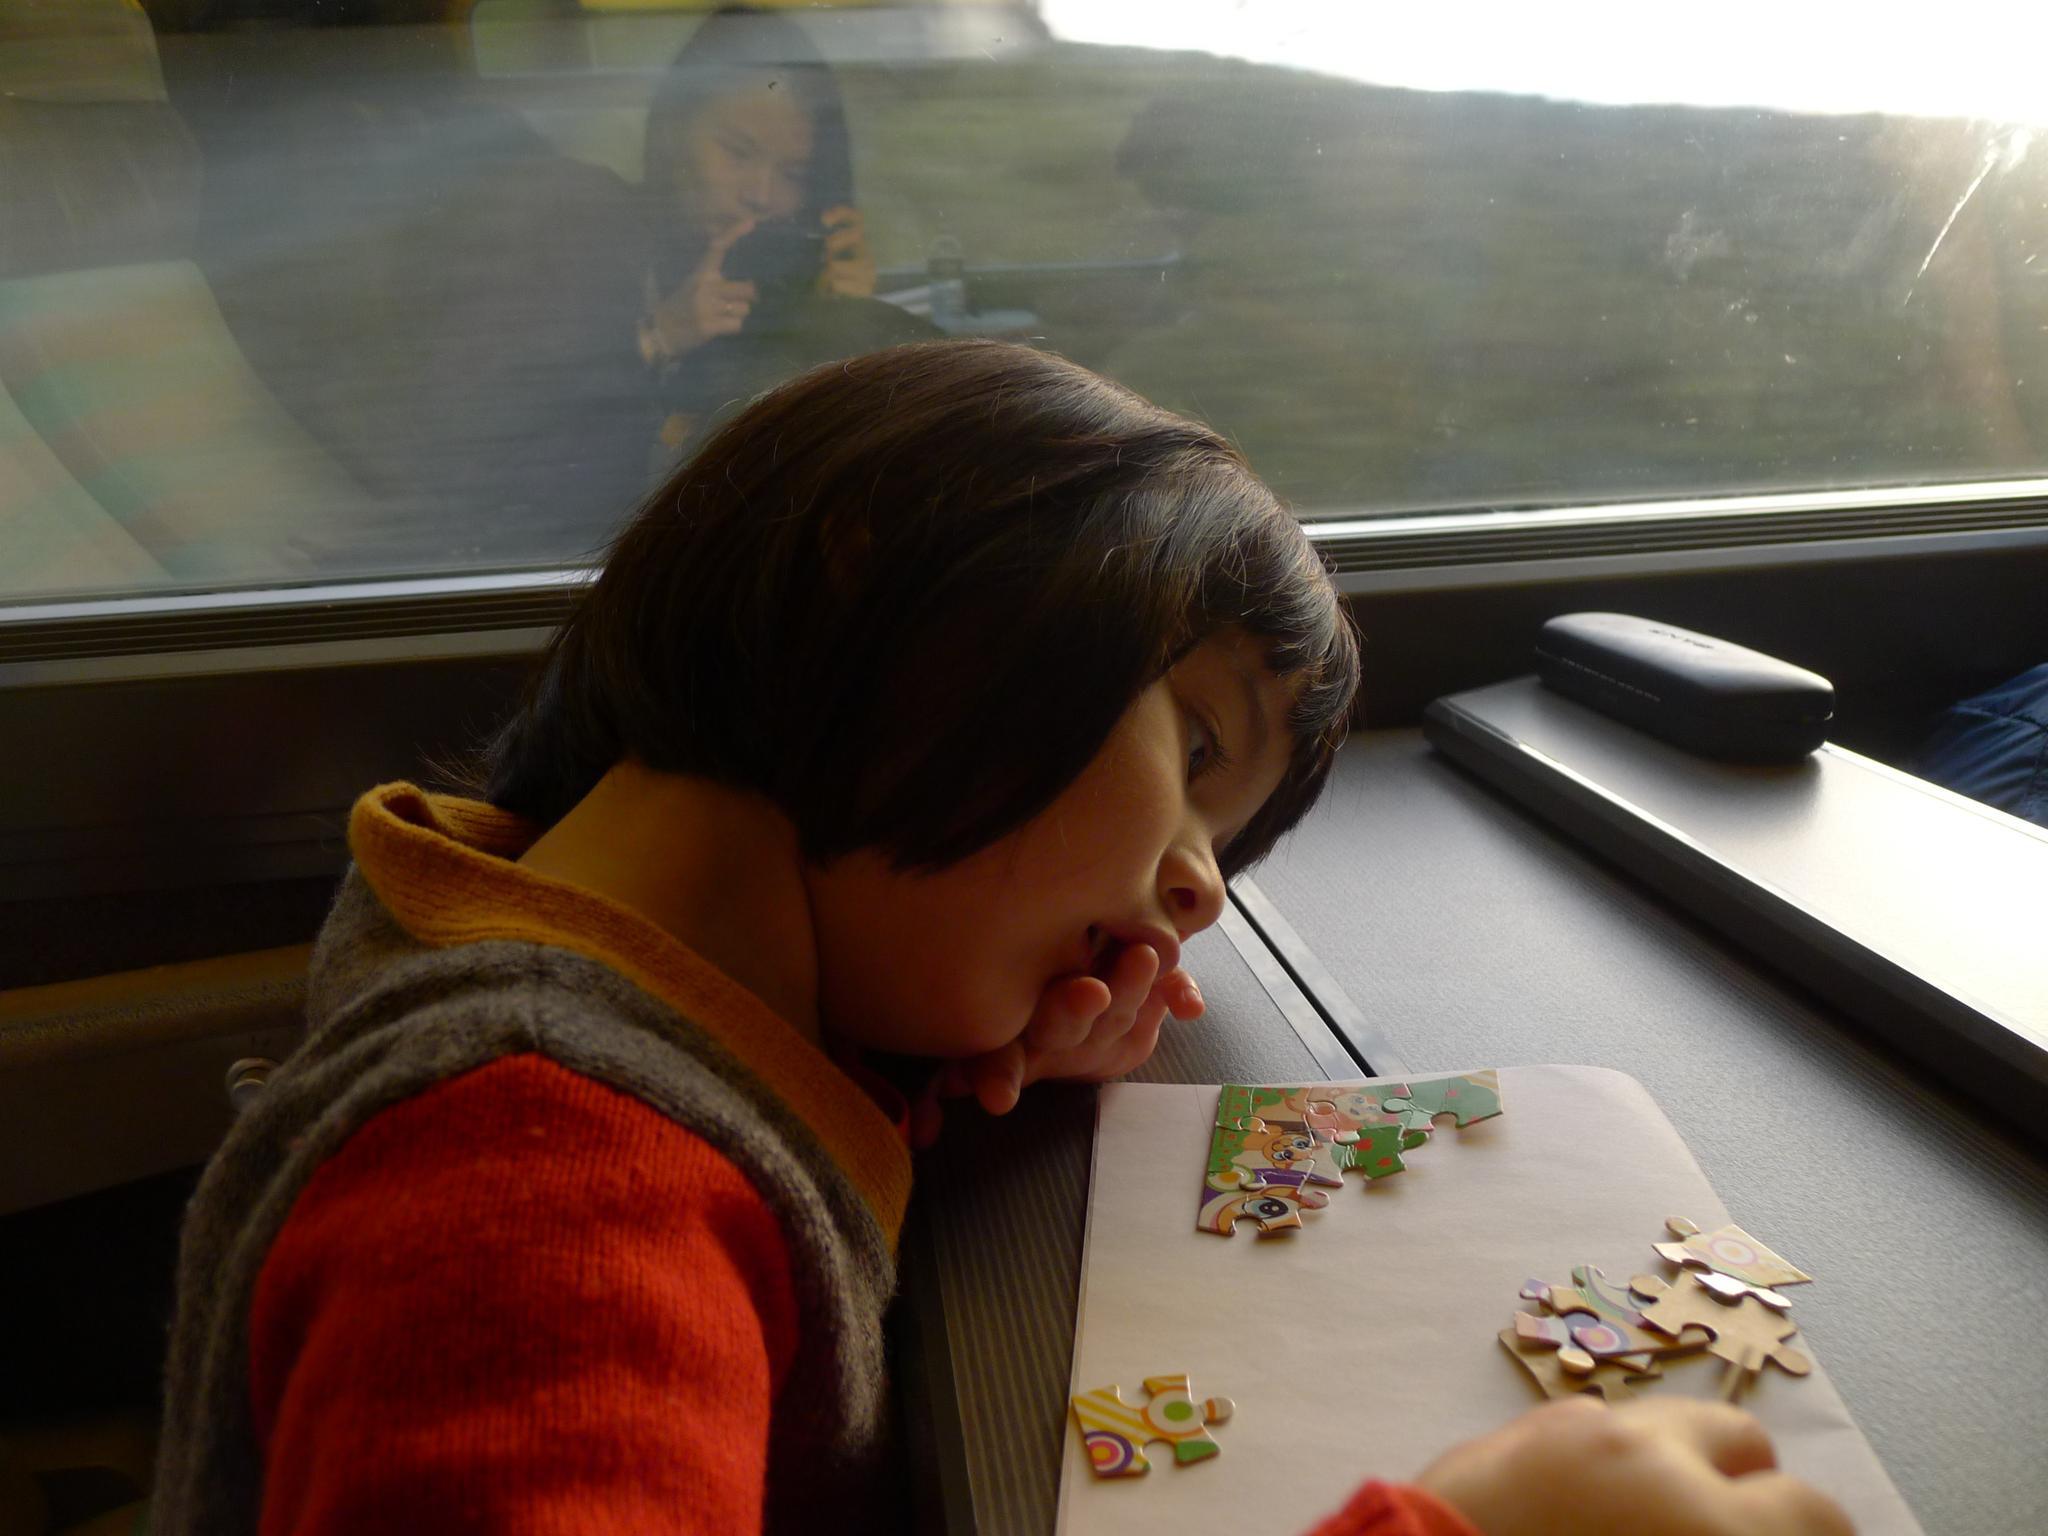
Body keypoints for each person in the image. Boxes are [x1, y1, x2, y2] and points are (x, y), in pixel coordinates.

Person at [148, 340, 1852, 1536]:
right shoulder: (543, 1192)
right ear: (888, 605)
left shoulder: (538, 928)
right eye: (1196, 748)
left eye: (1223, 843)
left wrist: (907, 1073)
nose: (1203, 891)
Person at [634, 7, 926, 458]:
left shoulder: (791, 286)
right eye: (738, 153)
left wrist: (841, 323)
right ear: (674, 134)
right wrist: (662, 335)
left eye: (792, 174)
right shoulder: (599, 249)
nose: (761, 194)